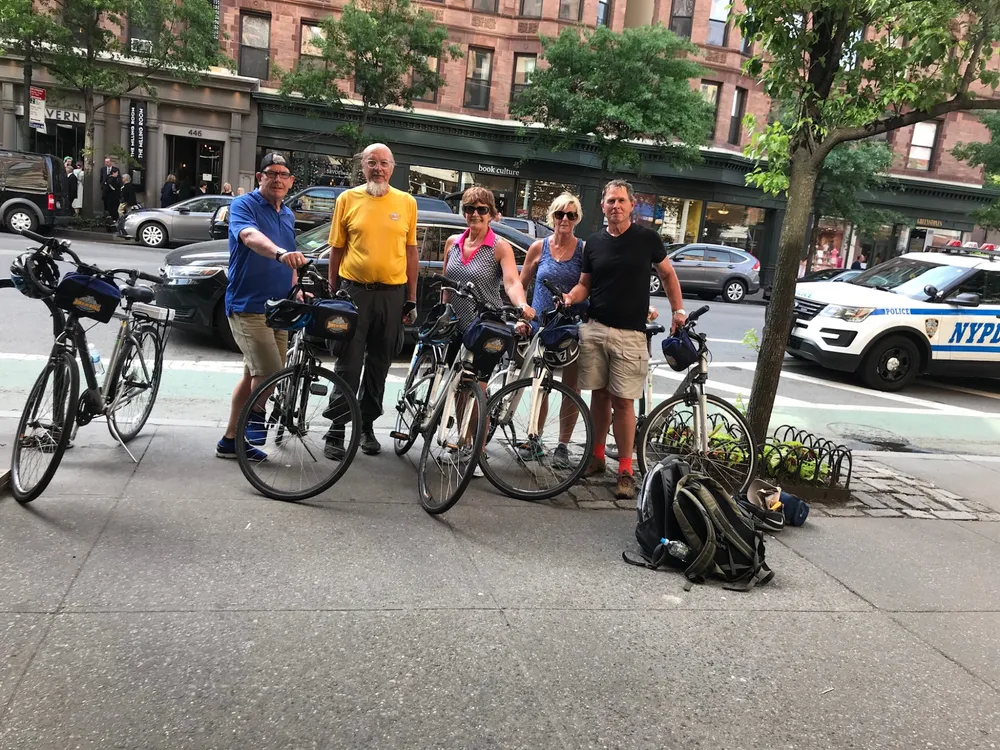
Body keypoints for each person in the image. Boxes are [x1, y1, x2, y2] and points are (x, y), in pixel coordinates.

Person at [562, 179, 686, 501]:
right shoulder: (594, 244)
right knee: (599, 397)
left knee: (624, 401)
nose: (615, 206)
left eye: (621, 201)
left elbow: (668, 274)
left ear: (632, 205)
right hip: (596, 328)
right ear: (602, 206)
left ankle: (626, 470)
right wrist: (572, 296)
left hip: (631, 335)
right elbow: (585, 284)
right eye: (609, 201)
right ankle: (597, 457)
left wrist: (678, 311)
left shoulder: (647, 239)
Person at [323, 143, 419, 459]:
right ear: (362, 166)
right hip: (354, 292)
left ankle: (366, 425)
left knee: (379, 364)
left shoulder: (406, 203)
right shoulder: (346, 199)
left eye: (383, 163)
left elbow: (410, 251)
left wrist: (412, 299)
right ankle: (337, 428)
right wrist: (333, 288)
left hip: (392, 295)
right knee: (348, 362)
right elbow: (336, 247)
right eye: (371, 162)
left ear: (393, 168)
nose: (377, 168)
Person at [217, 153, 307, 459]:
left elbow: (292, 253)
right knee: (270, 372)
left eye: (284, 174)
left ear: (291, 181)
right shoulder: (243, 205)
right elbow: (250, 236)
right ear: (260, 177)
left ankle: (230, 441)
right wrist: (280, 253)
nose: (278, 179)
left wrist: (296, 289)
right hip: (248, 305)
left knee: (253, 375)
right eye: (272, 173)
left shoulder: (288, 214)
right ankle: (252, 422)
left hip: (278, 308)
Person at [518, 192, 586, 467]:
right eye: (560, 214)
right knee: (539, 385)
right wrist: (522, 313)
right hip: (541, 328)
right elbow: (521, 284)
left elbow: (588, 285)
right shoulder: (539, 248)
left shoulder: (583, 250)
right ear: (552, 217)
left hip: (570, 327)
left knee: (572, 387)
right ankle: (534, 439)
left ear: (578, 218)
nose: (565, 219)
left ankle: (562, 446)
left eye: (571, 214)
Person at [444, 186, 535, 376]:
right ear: (464, 213)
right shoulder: (452, 243)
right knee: (452, 384)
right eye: (469, 208)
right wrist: (443, 311)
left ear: (491, 214)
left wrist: (522, 305)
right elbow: (446, 284)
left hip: (486, 326)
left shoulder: (500, 246)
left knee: (476, 386)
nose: (475, 214)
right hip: (455, 325)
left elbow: (512, 282)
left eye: (481, 209)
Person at [103, 167, 122, 231]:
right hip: (113, 198)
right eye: (117, 173)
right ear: (113, 173)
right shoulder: (112, 179)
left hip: (109, 198)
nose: (117, 174)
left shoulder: (108, 178)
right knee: (113, 211)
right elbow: (112, 187)